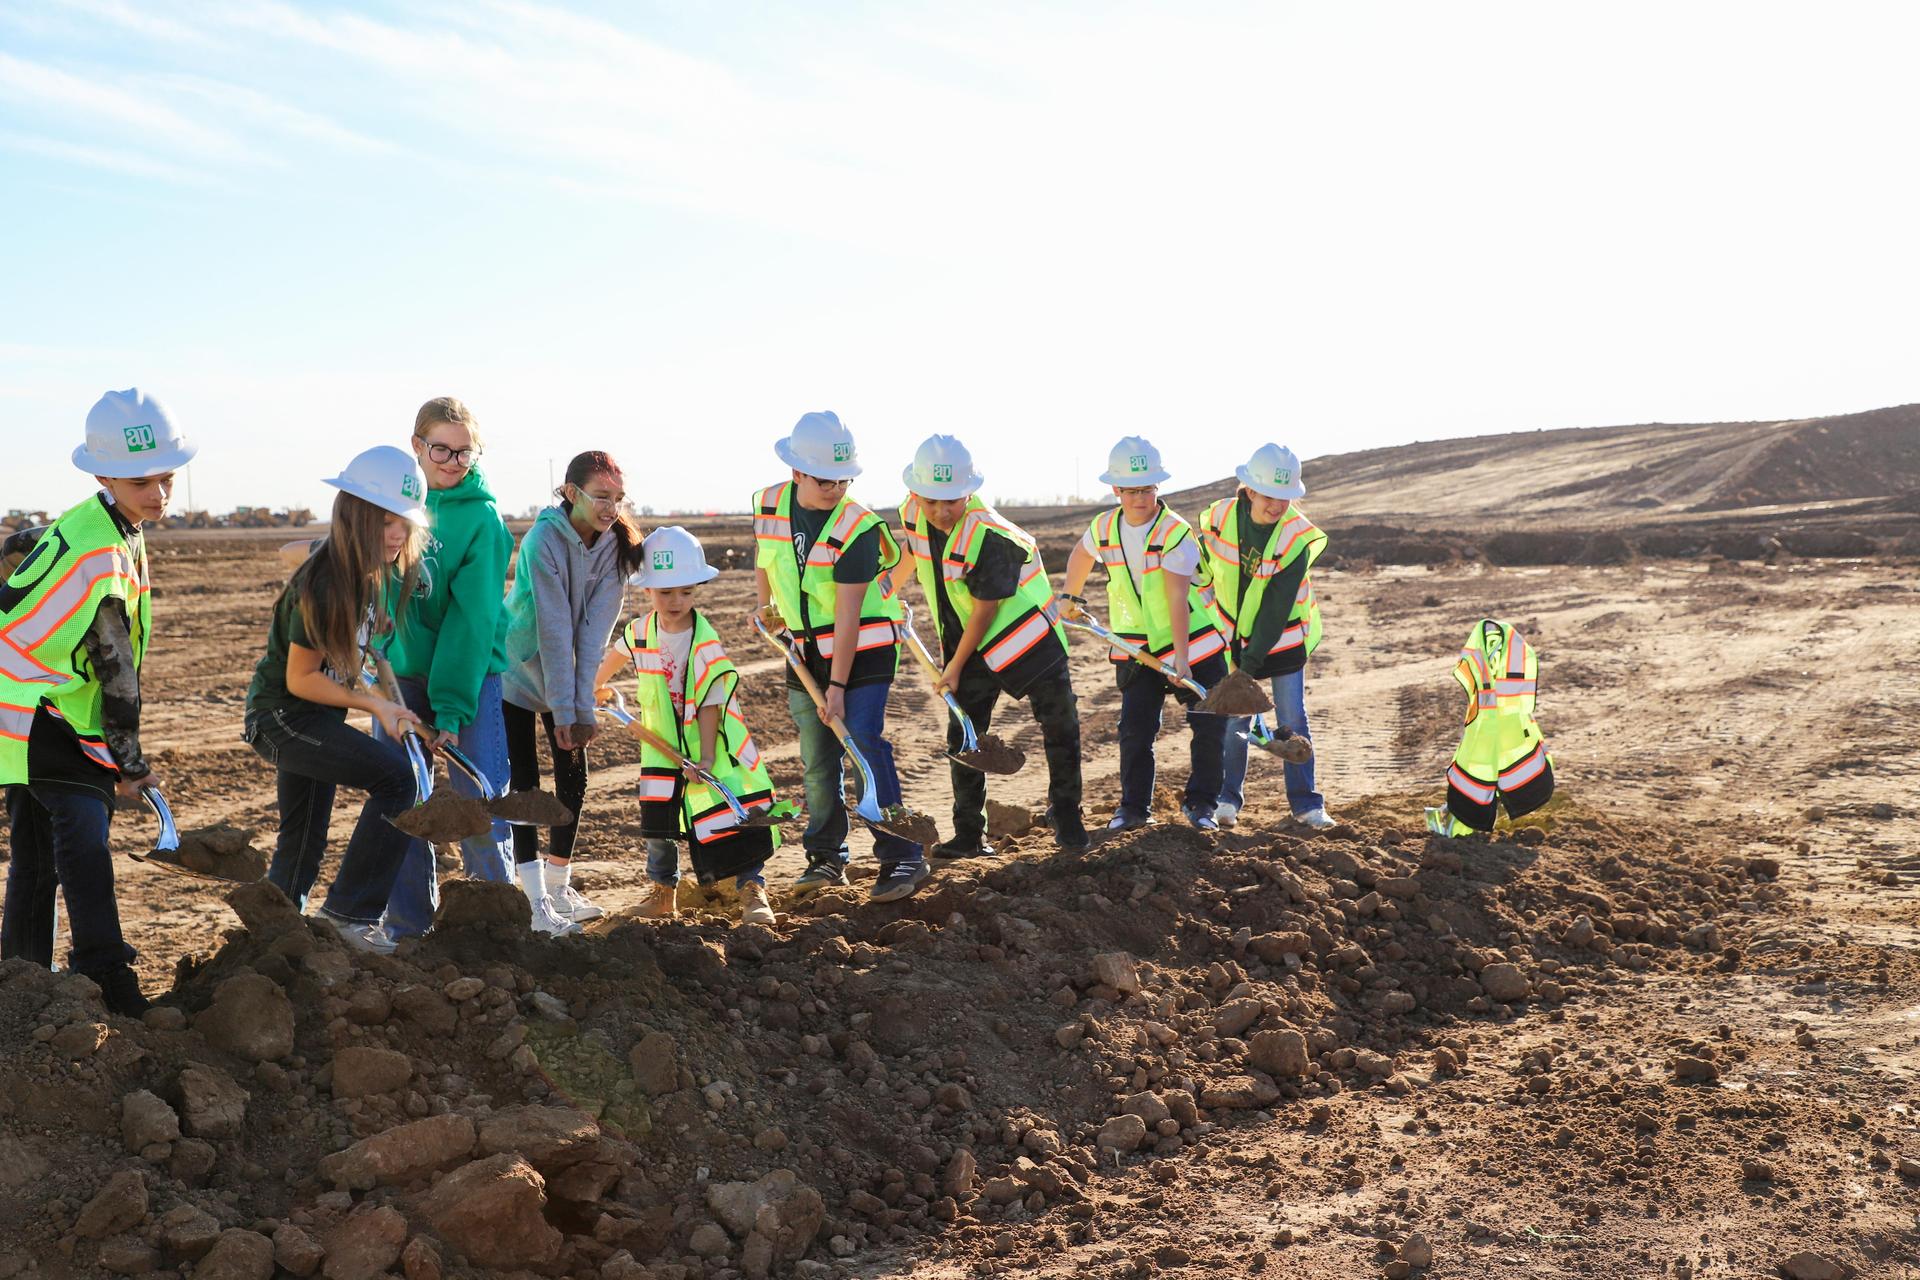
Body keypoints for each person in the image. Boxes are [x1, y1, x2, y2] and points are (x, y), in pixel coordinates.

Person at [0, 388, 196, 1015]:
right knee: (84, 836)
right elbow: (115, 670)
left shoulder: (99, 520)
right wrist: (129, 763)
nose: (159, 493)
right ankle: (106, 973)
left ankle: (19, 981)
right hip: (43, 711)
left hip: (22, 704)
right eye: (144, 481)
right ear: (104, 473)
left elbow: (34, 540)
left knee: (34, 852)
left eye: (167, 478)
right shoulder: (102, 550)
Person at [242, 447, 431, 952]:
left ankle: (274, 946)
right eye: (385, 521)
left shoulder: (363, 573)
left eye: (405, 523)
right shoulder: (328, 581)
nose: (397, 534)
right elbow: (302, 678)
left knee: (304, 838)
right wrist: (376, 707)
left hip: (309, 715)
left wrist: (385, 701)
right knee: (399, 780)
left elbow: (349, 660)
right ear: (356, 515)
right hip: (283, 716)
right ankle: (350, 917)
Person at [752, 411, 928, 901]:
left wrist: (837, 687)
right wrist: (766, 606)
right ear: (797, 473)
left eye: (844, 479)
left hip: (863, 648)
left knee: (863, 741)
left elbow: (849, 614)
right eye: (826, 480)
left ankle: (902, 855)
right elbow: (766, 555)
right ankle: (827, 859)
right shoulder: (767, 504)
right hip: (804, 650)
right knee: (818, 759)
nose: (836, 489)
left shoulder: (859, 526)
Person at [892, 435, 1088, 855]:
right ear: (914, 493)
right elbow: (912, 547)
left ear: (970, 492)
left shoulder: (990, 535)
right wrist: (887, 589)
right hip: (968, 638)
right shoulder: (913, 512)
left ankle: (1067, 812)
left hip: (1027, 638)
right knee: (963, 736)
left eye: (953, 501)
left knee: (1059, 723)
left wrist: (954, 668)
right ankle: (969, 835)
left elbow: (985, 610)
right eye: (932, 502)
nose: (942, 512)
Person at [379, 396, 515, 937]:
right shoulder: (391, 504)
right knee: (401, 801)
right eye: (441, 448)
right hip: (401, 678)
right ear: (417, 446)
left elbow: (472, 620)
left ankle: (496, 924)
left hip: (469, 677)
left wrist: (453, 710)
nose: (454, 461)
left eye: (465, 452)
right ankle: (408, 927)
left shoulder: (481, 519)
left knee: (476, 799)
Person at [596, 527, 779, 927]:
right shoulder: (639, 631)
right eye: (666, 593)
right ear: (647, 592)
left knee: (732, 818)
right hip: (659, 747)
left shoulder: (704, 639)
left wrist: (708, 756)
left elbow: (712, 700)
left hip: (713, 747)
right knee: (659, 823)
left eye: (686, 592)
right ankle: (664, 893)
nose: (676, 601)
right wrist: (595, 687)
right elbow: (611, 661)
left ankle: (752, 890)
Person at [1060, 436, 1231, 832]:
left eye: (1148, 489)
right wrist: (1071, 594)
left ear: (1158, 487)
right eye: (1132, 490)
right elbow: (1083, 553)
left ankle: (1202, 806)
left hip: (1195, 643)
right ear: (1116, 489)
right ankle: (1133, 809)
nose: (1141, 497)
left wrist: (1182, 658)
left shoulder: (1175, 532)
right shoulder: (1104, 526)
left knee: (1208, 726)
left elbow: (1175, 596)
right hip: (1136, 647)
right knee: (1135, 730)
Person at [501, 451, 641, 933]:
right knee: (524, 784)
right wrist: (566, 711)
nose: (611, 508)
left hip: (567, 668)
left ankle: (560, 886)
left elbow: (591, 637)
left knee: (574, 774)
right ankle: (535, 900)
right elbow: (554, 630)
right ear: (570, 493)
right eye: (601, 497)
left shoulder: (615, 548)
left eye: (618, 499)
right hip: (516, 668)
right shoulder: (544, 540)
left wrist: (581, 710)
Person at [1203, 443, 1334, 830]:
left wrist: (1248, 668)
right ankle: (1226, 800)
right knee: (1233, 721)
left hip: (1283, 637)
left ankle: (1307, 805)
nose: (1278, 506)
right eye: (1271, 496)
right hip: (1232, 635)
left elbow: (1276, 606)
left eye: (1286, 497)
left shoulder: (1296, 535)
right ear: (1249, 489)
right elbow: (1202, 571)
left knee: (1292, 718)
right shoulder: (1221, 517)